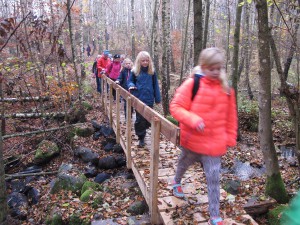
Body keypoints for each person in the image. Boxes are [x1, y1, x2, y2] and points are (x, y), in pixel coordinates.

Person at [169, 47, 237, 225]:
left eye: (219, 68)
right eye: (211, 68)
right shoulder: (193, 84)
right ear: (203, 67)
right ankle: (176, 181)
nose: (215, 72)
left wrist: (230, 138)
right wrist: (192, 119)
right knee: (184, 163)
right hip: (192, 140)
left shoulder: (228, 90)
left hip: (214, 144)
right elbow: (175, 106)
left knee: (214, 178)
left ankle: (214, 216)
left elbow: (231, 117)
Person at [127, 51, 161, 147]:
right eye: (143, 61)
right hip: (139, 98)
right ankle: (141, 137)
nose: (145, 62)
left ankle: (145, 127)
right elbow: (130, 81)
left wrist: (157, 98)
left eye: (147, 60)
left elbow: (156, 85)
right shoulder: (135, 71)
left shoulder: (152, 72)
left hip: (149, 98)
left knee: (147, 119)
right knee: (139, 119)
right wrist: (131, 86)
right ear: (139, 61)